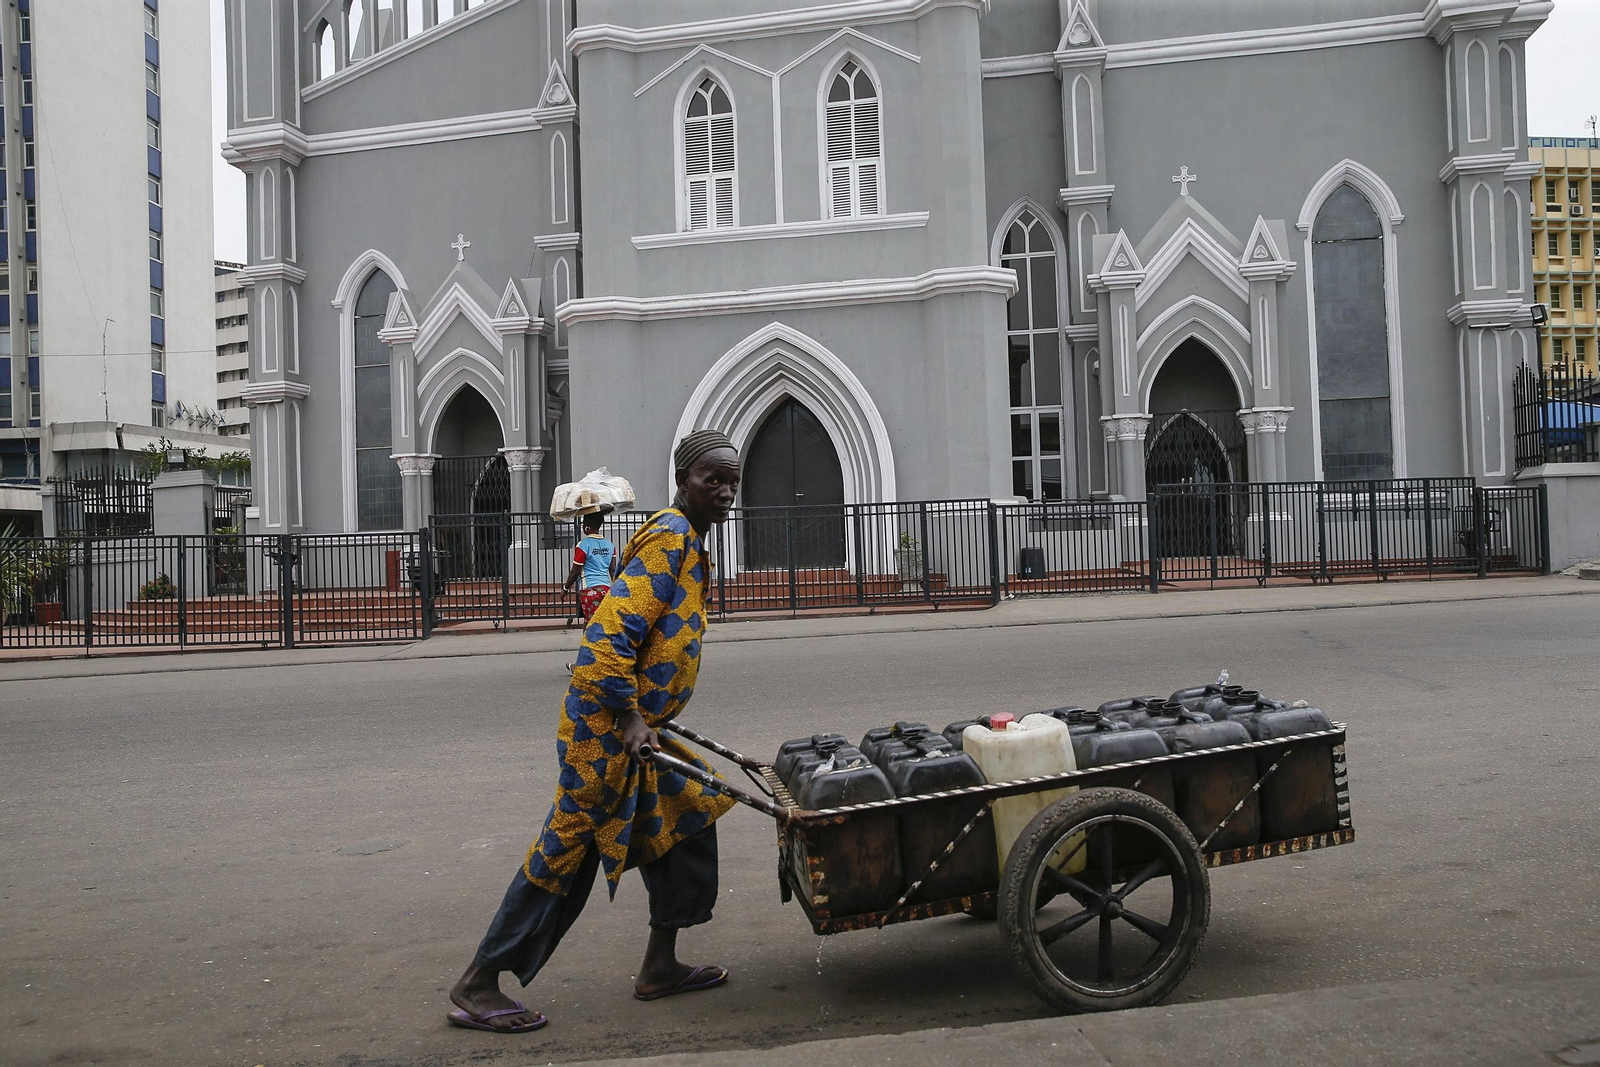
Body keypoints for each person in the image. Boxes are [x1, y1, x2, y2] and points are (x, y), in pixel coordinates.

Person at [447, 430, 743, 1035]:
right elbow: (607, 638)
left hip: (636, 724)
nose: (724, 491)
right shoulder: (670, 539)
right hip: (604, 728)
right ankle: (478, 982)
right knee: (568, 850)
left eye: (732, 481)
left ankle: (660, 967)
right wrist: (633, 716)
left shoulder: (686, 540)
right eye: (712, 478)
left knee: (691, 809)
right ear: (683, 479)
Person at [563, 511, 618, 625]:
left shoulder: (583, 545)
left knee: (590, 625)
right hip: (606, 590)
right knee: (603, 623)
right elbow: (613, 571)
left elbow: (575, 571)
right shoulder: (610, 545)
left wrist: (565, 589)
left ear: (586, 526)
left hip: (590, 590)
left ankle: (589, 643)